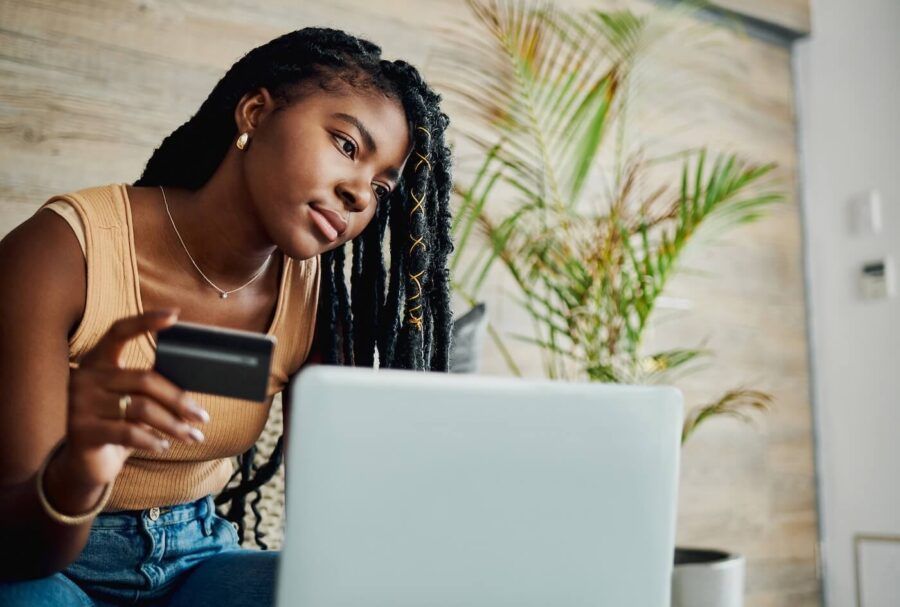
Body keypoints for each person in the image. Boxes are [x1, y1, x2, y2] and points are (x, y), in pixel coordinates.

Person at [0, 26, 453, 606]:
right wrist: (80, 469)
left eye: (381, 189)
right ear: (255, 113)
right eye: (346, 145)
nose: (360, 195)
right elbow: (19, 550)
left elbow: (330, 523)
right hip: (49, 559)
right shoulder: (62, 251)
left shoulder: (316, 298)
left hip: (198, 558)